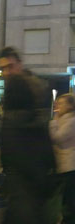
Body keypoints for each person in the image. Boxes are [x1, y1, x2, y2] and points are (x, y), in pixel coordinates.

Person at [0, 47, 59, 224]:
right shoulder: (17, 90)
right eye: (2, 69)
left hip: (29, 172)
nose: (6, 73)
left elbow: (38, 133)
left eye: (10, 66)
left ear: (20, 64)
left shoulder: (33, 89)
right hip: (24, 173)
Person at [49, 94, 75, 224]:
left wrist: (52, 122)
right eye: (58, 103)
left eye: (62, 103)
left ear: (70, 105)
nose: (58, 106)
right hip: (62, 164)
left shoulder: (71, 121)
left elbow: (58, 138)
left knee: (67, 197)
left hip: (69, 165)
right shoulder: (62, 119)